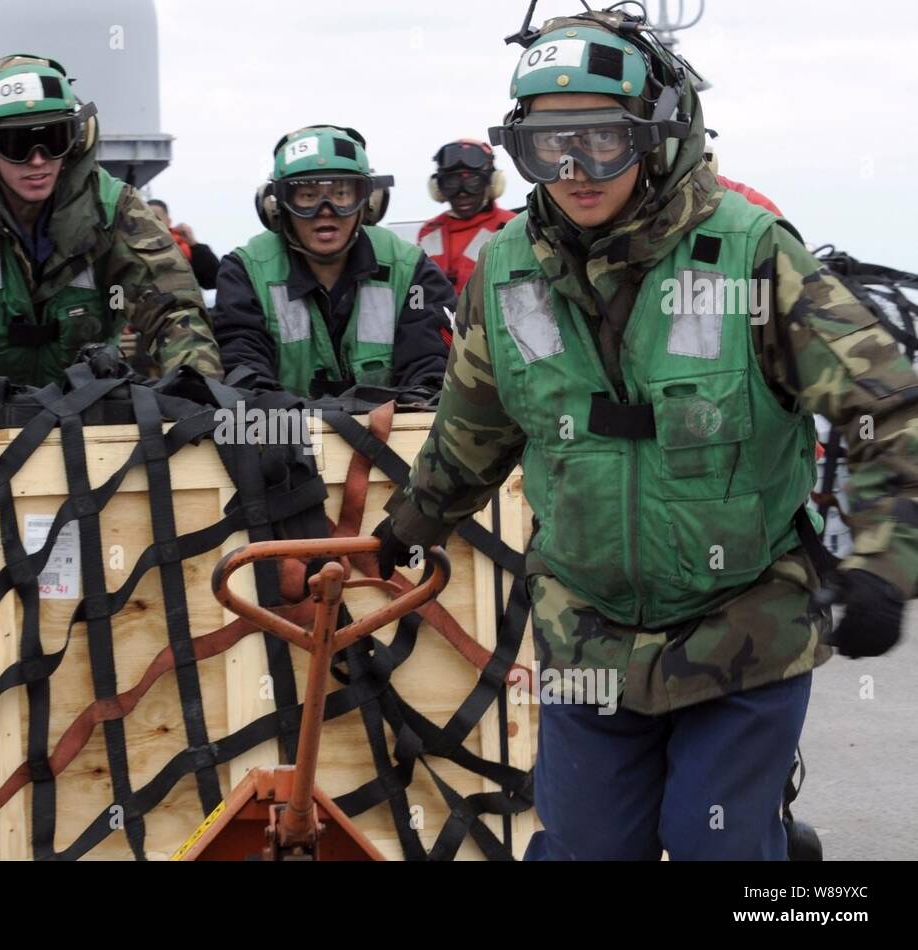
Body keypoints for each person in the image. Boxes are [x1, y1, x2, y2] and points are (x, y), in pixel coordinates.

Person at [374, 8, 918, 860]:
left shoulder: (751, 255)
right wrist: (407, 528)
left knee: (717, 847)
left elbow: (889, 405)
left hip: (742, 624)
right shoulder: (507, 272)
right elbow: (474, 424)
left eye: (602, 139)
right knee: (587, 850)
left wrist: (886, 563)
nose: (575, 170)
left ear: (660, 134)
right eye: (547, 147)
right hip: (586, 629)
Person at [0, 54, 221, 389]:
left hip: (89, 414)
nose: (37, 160)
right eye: (16, 143)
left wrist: (197, 388)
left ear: (78, 138)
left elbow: (173, 309)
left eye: (53, 138)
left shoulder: (115, 208)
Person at [215, 125, 455, 398]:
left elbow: (432, 368)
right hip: (287, 436)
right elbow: (243, 368)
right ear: (278, 206)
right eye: (307, 196)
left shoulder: (411, 269)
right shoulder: (245, 271)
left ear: (367, 202)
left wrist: (403, 407)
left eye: (342, 194)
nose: (325, 212)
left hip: (392, 435)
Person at [417, 139, 516, 294]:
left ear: (491, 183)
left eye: (473, 182)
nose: (462, 193)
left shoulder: (513, 227)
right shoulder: (428, 232)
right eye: (451, 184)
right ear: (438, 188)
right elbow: (418, 291)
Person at [147, 199, 219, 290]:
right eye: (145, 218)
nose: (151, 223)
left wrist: (194, 245)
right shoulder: (128, 248)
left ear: (168, 221)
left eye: (157, 218)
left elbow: (213, 280)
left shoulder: (183, 248)